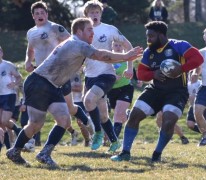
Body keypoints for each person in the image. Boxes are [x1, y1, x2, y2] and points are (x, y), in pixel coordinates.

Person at [6, 17, 142, 167]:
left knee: (64, 120)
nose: (93, 33)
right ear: (79, 31)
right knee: (36, 124)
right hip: (39, 83)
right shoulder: (77, 44)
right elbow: (101, 55)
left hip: (54, 85)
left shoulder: (76, 43)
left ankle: (44, 154)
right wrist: (125, 56)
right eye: (89, 30)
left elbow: (99, 56)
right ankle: (15, 151)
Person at [111, 21, 203, 162]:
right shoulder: (149, 52)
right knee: (134, 115)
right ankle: (125, 152)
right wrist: (153, 74)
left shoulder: (179, 45)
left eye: (151, 36)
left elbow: (198, 59)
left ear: (161, 35)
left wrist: (181, 69)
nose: (148, 40)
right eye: (147, 36)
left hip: (177, 92)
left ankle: (156, 154)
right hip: (155, 90)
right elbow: (141, 74)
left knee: (168, 121)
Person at [23, 1, 92, 151]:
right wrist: (28, 61)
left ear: (47, 14)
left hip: (59, 74)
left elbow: (73, 42)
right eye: (37, 13)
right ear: (33, 16)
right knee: (38, 112)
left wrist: (76, 62)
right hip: (41, 77)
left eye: (43, 13)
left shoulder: (55, 27)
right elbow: (30, 50)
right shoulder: (30, 32)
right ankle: (31, 142)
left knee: (71, 108)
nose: (40, 15)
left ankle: (91, 129)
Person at [82, 0, 134, 152]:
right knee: (103, 114)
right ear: (86, 15)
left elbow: (128, 47)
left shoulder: (109, 29)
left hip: (106, 74)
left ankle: (98, 133)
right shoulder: (82, 31)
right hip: (90, 75)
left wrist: (130, 68)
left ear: (101, 13)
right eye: (91, 12)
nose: (95, 15)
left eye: (97, 12)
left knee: (88, 100)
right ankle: (114, 141)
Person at [107, 41, 135, 139]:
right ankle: (128, 115)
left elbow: (132, 72)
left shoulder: (127, 58)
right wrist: (112, 76)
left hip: (125, 88)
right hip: (111, 90)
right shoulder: (108, 58)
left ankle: (114, 141)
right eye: (116, 45)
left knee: (118, 115)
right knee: (119, 115)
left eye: (120, 45)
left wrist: (138, 79)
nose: (118, 47)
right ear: (112, 46)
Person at [0, 46, 23, 151]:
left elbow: (19, 77)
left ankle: (18, 131)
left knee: (4, 120)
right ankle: (9, 148)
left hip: (9, 95)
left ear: (2, 53)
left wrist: (14, 83)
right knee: (1, 124)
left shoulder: (8, 65)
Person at [186, 71, 206, 141]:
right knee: (190, 124)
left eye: (196, 75)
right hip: (192, 107)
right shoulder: (187, 85)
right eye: (192, 75)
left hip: (202, 107)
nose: (194, 76)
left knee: (201, 122)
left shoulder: (200, 84)